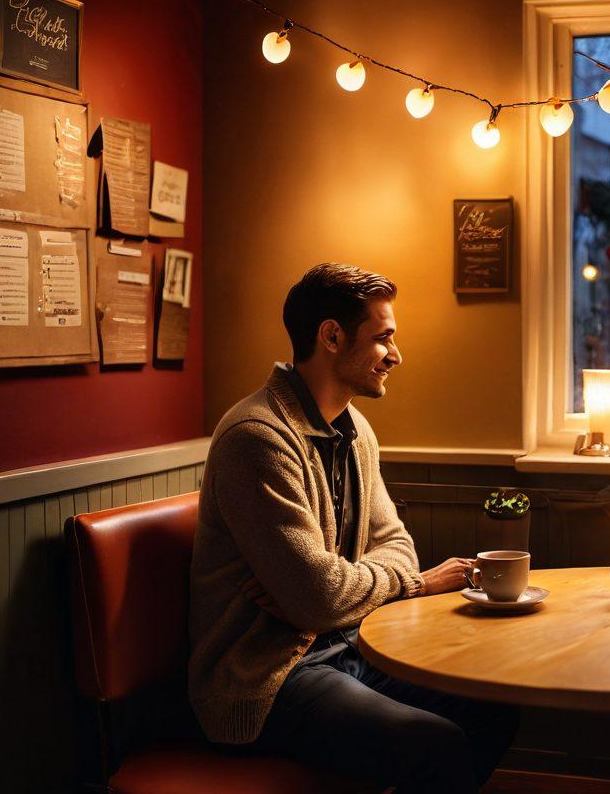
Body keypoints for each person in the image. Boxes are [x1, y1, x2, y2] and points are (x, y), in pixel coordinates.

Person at [188, 263, 518, 793]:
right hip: (268, 679)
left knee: (496, 707)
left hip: (349, 648)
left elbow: (395, 547)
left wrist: (335, 586)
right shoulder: (257, 438)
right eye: (383, 338)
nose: (396, 355)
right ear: (333, 336)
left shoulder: (357, 430)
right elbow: (320, 597)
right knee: (436, 745)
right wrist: (412, 585)